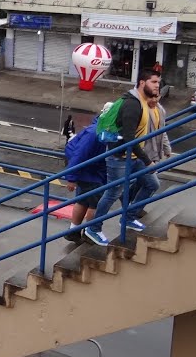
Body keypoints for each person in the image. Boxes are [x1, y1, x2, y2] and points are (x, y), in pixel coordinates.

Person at [84, 69, 163, 246]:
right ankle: (93, 228)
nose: (157, 86)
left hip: (134, 156)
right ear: (142, 83)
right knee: (113, 192)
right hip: (119, 156)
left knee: (152, 184)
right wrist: (148, 160)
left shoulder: (143, 102)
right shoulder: (132, 105)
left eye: (158, 82)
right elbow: (129, 138)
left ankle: (129, 217)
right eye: (154, 82)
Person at [62, 108, 110, 245]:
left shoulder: (96, 130)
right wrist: (71, 177)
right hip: (92, 174)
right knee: (96, 204)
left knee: (82, 201)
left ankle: (73, 231)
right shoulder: (95, 133)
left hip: (88, 172)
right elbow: (80, 155)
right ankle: (90, 232)